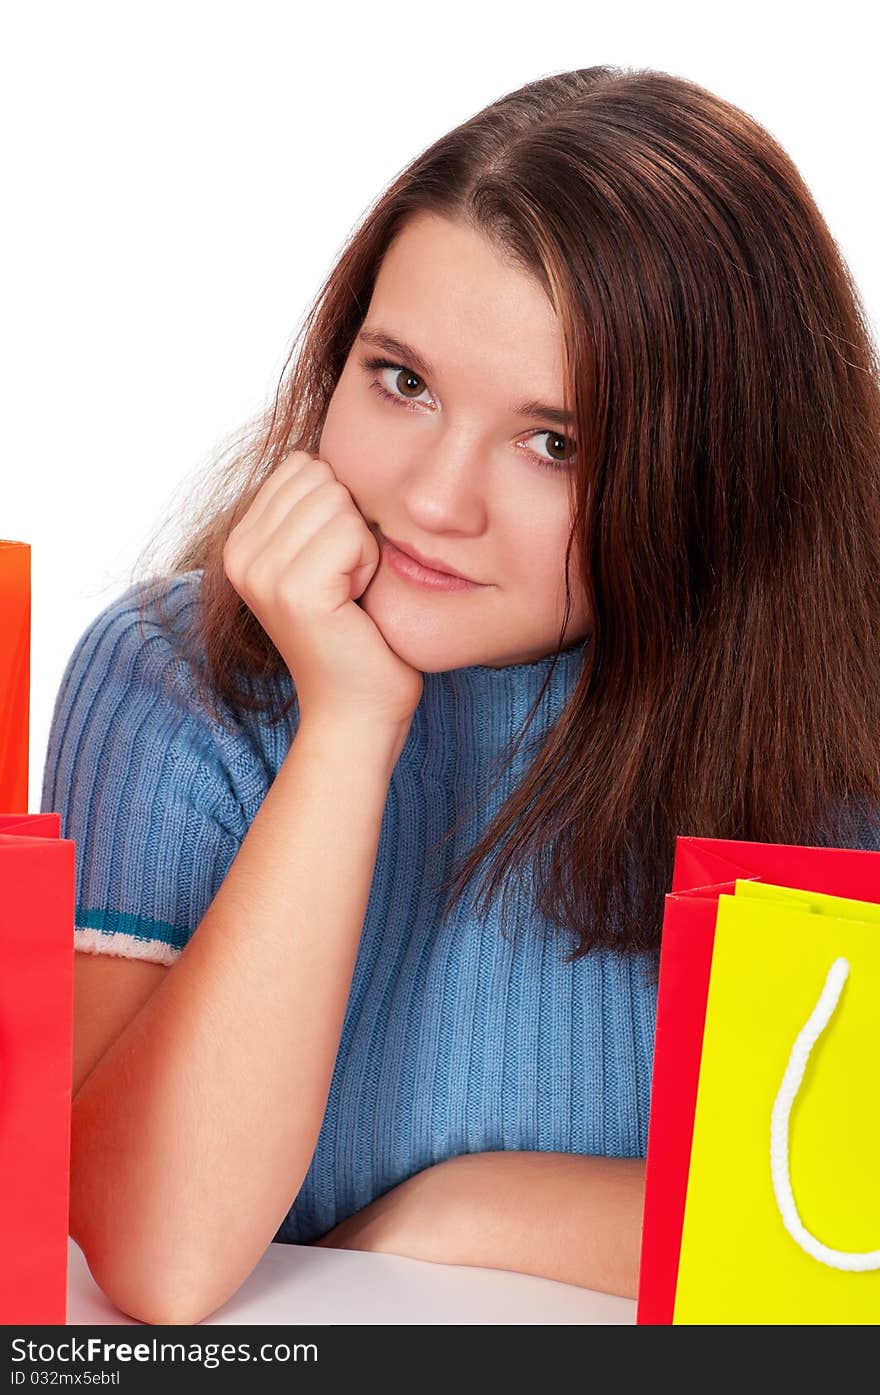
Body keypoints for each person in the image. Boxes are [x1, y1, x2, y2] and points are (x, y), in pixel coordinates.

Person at [41, 64, 880, 1326]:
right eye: (401, 380)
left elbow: (836, 1237)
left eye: (557, 443)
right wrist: (349, 728)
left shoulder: (829, 736)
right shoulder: (173, 683)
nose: (434, 499)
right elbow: (155, 1259)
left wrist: (459, 1212)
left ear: (722, 483)